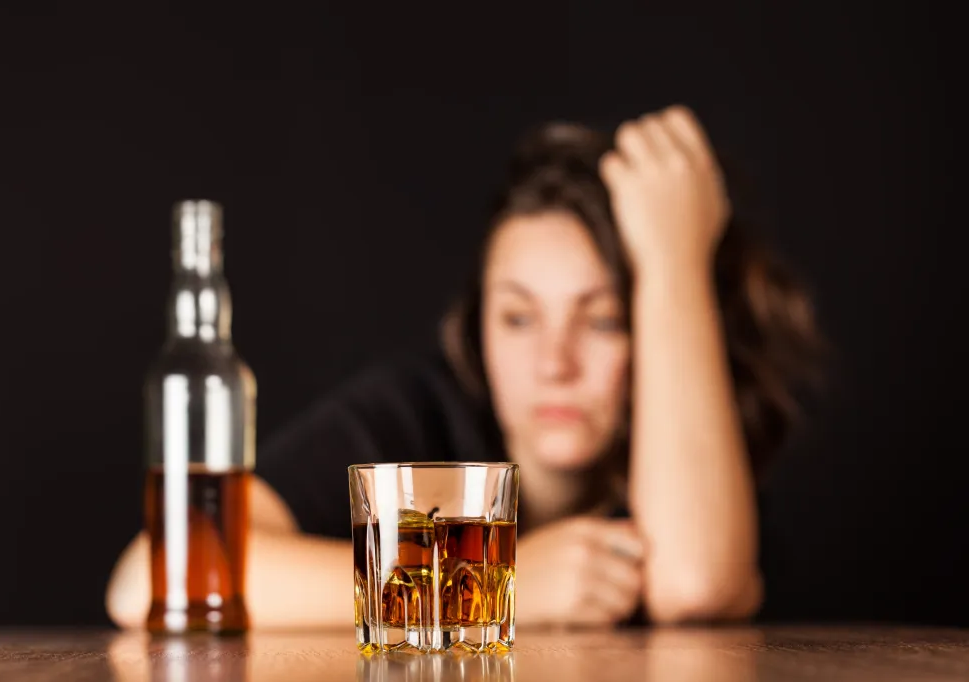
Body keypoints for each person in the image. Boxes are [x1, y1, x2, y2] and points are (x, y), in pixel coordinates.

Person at [106, 105, 821, 629]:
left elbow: (696, 587)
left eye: (603, 319)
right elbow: (154, 576)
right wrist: (486, 584)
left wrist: (673, 257)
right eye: (517, 316)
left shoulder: (703, 449)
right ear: (477, 327)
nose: (554, 362)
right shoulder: (420, 408)